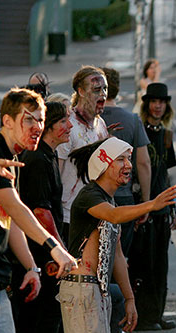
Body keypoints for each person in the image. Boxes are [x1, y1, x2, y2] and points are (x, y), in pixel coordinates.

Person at [61, 137, 176, 333]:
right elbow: (114, 217)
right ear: (104, 164)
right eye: (121, 159)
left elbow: (117, 255)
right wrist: (151, 204)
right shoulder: (90, 196)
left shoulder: (108, 200)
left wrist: (129, 298)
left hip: (95, 293)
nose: (128, 165)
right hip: (81, 292)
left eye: (129, 159)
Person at [0, 88, 77, 333]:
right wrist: (55, 247)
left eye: (40, 119)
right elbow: (18, 209)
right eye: (30, 120)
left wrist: (31, 267)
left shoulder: (14, 157)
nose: (38, 126)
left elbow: (8, 221)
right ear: (8, 120)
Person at [17, 101, 72, 333]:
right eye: (64, 122)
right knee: (49, 311)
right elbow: (41, 210)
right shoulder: (38, 160)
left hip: (45, 247)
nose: (70, 127)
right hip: (40, 249)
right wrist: (57, 250)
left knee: (52, 309)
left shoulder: (50, 156)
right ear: (51, 126)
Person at [101, 66, 151, 333]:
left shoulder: (89, 119)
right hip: (122, 199)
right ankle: (116, 324)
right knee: (120, 260)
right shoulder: (131, 120)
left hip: (95, 199)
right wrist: (144, 200)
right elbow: (142, 163)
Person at [129, 83, 176, 331]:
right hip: (143, 208)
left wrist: (173, 207)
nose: (158, 106)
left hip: (162, 210)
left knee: (161, 265)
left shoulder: (166, 135)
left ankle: (157, 315)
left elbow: (164, 176)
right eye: (154, 101)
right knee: (144, 265)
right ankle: (144, 317)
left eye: (162, 102)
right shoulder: (139, 133)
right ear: (147, 104)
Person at [57, 66, 109, 244]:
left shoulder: (100, 124)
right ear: (80, 91)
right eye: (96, 89)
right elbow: (57, 171)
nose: (102, 94)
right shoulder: (68, 126)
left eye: (105, 89)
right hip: (69, 215)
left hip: (96, 211)